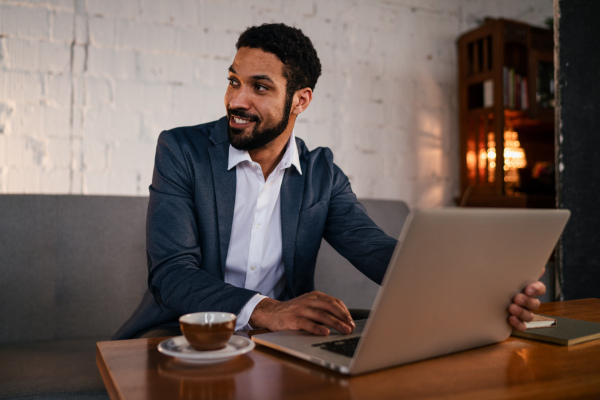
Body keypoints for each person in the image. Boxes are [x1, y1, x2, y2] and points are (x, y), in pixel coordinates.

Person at [114, 23, 543, 340]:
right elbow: (172, 275)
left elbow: (378, 252)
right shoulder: (181, 151)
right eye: (233, 81)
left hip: (281, 342)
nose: (236, 100)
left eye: (259, 88)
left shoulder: (322, 175)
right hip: (184, 335)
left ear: (300, 100)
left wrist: (486, 288)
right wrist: (270, 310)